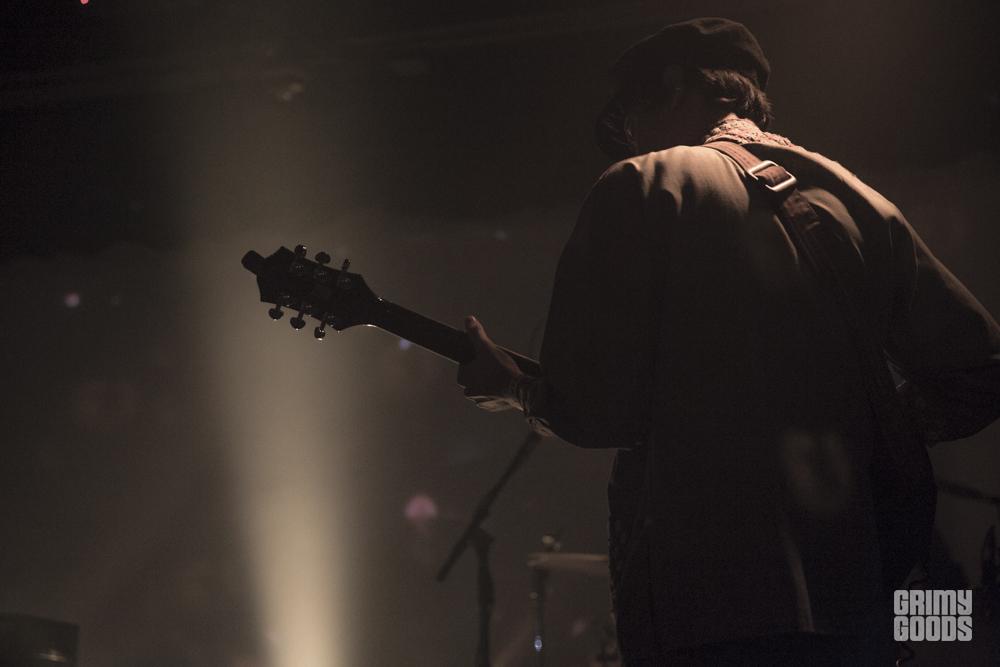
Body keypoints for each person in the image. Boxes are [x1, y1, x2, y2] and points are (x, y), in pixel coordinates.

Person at [456, 17, 1000, 665]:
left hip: (709, 609)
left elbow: (595, 411)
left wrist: (515, 388)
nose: (631, 138)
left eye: (631, 117)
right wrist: (871, 433)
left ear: (674, 85)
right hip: (860, 610)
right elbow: (984, 368)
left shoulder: (640, 185)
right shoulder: (858, 203)